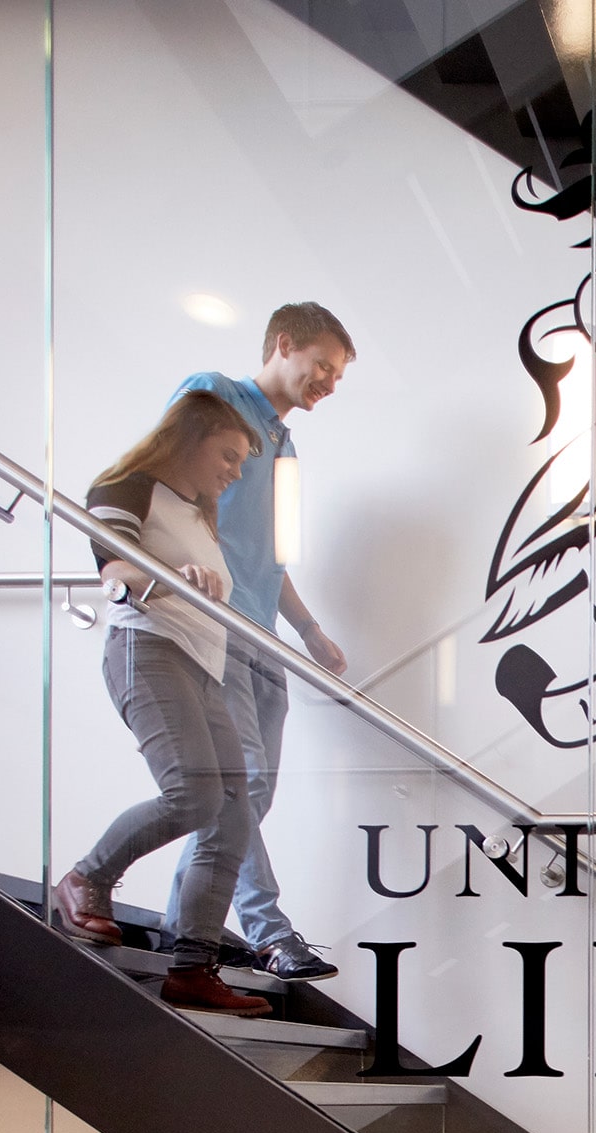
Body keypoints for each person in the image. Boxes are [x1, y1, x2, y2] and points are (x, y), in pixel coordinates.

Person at [51, 391, 270, 1017]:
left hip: (203, 667)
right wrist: (158, 577)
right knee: (192, 794)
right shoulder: (128, 484)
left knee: (232, 814)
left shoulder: (201, 515)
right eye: (227, 455)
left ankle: (193, 969)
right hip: (145, 650)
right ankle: (87, 877)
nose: (233, 471)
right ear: (190, 438)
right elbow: (112, 564)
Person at [169, 303, 354, 981]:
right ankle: (268, 930)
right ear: (284, 343)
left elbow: (274, 557)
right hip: (212, 625)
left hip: (263, 633)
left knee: (254, 792)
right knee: (239, 782)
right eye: (323, 366)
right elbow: (164, 491)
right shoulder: (213, 394)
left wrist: (308, 629)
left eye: (338, 375)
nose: (329, 383)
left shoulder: (287, 447)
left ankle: (185, 924)